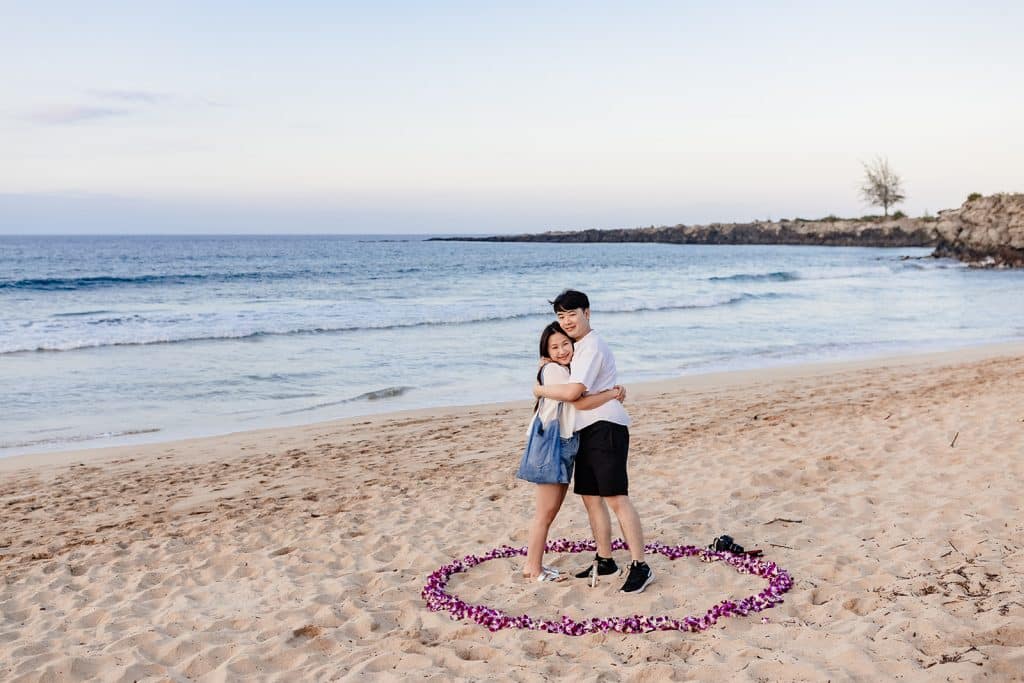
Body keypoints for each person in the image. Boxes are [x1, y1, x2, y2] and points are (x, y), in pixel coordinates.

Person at [532, 289, 654, 593]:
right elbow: (574, 393)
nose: (567, 321)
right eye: (561, 316)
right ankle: (605, 559)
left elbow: (576, 396)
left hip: (606, 426)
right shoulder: (577, 348)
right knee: (590, 497)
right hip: (585, 430)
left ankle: (641, 565)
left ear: (587, 312)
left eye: (572, 314)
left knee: (616, 497)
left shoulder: (592, 346)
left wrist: (539, 390)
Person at [522, 321, 626, 582]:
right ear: (545, 351)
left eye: (565, 344)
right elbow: (576, 397)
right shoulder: (555, 371)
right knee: (545, 512)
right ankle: (532, 567)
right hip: (554, 444)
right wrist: (612, 393)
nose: (561, 351)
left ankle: (535, 565)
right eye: (553, 347)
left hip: (563, 443)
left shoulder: (561, 369)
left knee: (549, 511)